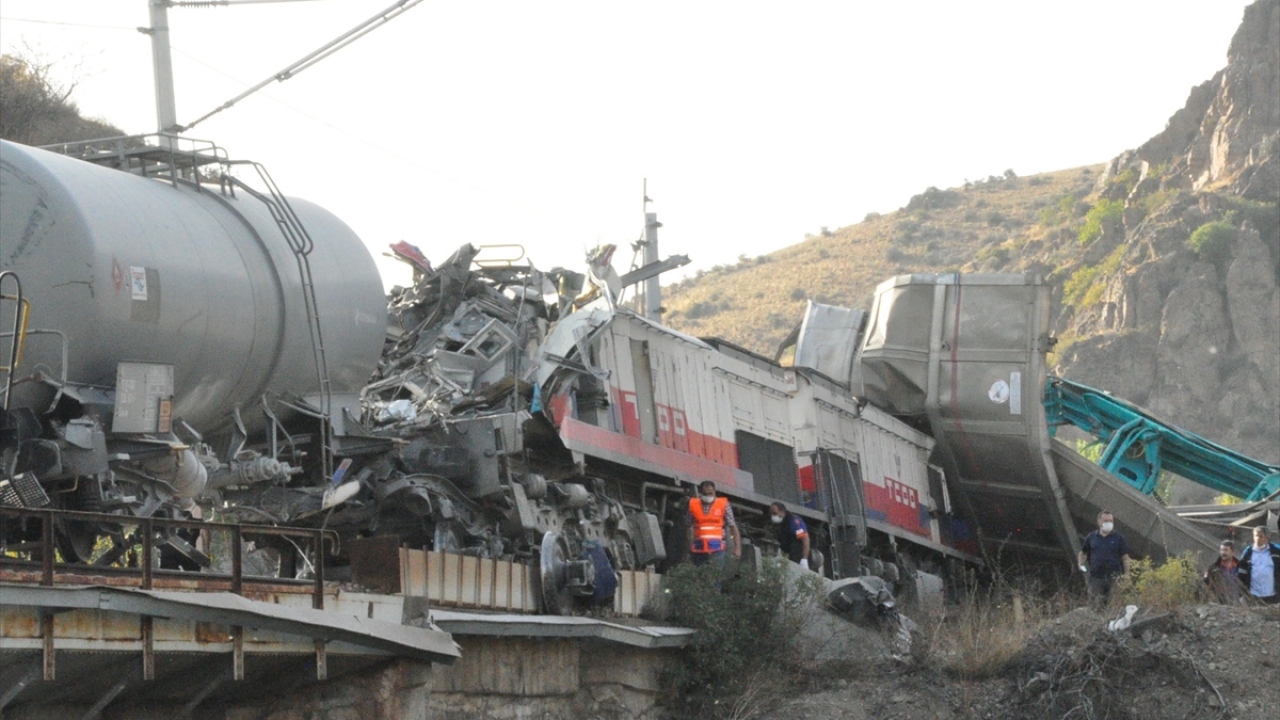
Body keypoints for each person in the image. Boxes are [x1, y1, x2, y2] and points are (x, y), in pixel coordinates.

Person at [1077, 510, 1132, 607]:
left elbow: (1125, 558)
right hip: (1096, 578)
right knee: (1094, 604)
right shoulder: (1092, 537)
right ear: (1099, 522)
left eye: (1111, 521)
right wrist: (1080, 564)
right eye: (1106, 521)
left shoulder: (1118, 538)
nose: (1109, 523)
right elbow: (1083, 553)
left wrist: (1127, 575)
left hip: (1113, 578)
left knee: (1112, 605)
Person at [687, 481, 741, 565]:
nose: (708, 496)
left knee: (716, 572)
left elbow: (733, 527)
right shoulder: (694, 505)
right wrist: (690, 545)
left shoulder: (723, 505)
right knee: (701, 572)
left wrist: (737, 548)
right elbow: (688, 527)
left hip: (717, 549)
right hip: (699, 550)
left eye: (710, 493)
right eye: (705, 494)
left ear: (715, 491)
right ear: (701, 492)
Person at [1237, 526, 1280, 604]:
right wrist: (1242, 594)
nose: (1257, 539)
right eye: (1256, 536)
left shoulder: (1276, 551)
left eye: (1261, 536)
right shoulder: (1248, 552)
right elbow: (1241, 574)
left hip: (1273, 596)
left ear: (1267, 538)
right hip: (1253, 596)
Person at [768, 502, 811, 570]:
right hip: (786, 550)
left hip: (797, 551)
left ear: (782, 512)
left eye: (775, 513)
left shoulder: (793, 521)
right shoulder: (778, 523)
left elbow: (804, 538)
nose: (772, 516)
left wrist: (804, 559)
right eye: (771, 514)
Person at [1203, 540, 1242, 604]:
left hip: (1236, 603)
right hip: (1219, 604)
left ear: (1232, 552)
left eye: (1226, 550)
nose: (1223, 553)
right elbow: (1205, 581)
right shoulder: (1213, 567)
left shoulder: (1240, 567)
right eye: (1221, 550)